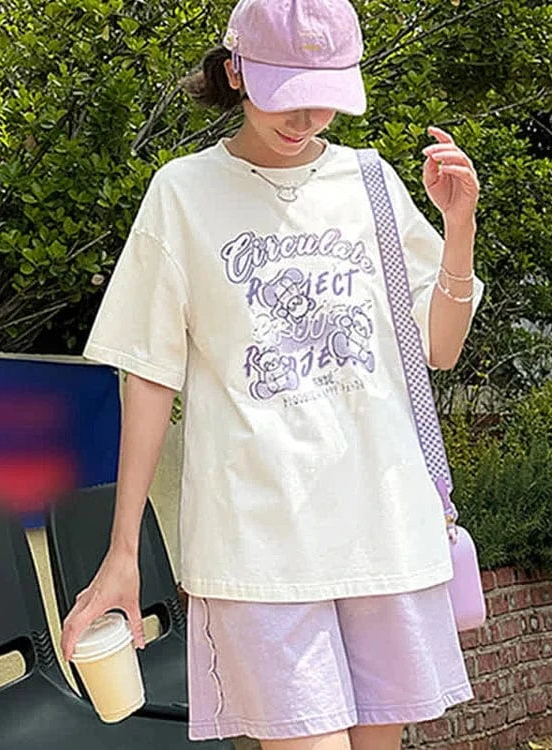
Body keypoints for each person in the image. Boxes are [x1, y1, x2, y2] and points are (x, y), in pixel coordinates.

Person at [60, 0, 486, 747]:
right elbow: (149, 377)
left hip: (383, 533)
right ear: (235, 72)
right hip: (257, 546)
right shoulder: (183, 193)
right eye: (286, 94)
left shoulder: (372, 183)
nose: (306, 117)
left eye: (324, 97)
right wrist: (123, 551)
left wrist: (460, 230)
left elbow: (439, 350)